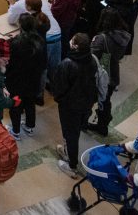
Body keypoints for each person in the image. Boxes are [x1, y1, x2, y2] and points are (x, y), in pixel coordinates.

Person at [53, 33, 99, 178]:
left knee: (70, 133)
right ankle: (67, 152)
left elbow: (59, 87)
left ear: (75, 46)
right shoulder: (91, 60)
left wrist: (60, 99)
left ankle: (71, 164)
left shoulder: (67, 64)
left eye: (72, 40)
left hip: (70, 106)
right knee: (75, 131)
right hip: (86, 103)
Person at [88, 8, 131, 136]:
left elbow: (92, 57)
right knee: (105, 100)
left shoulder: (102, 39)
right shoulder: (123, 35)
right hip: (113, 72)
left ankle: (90, 122)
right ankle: (103, 123)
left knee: (91, 99)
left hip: (101, 74)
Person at [6, 14, 47, 141]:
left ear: (20, 26)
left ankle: (15, 131)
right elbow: (44, 61)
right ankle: (29, 127)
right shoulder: (40, 41)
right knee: (30, 102)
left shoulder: (16, 42)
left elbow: (10, 62)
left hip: (17, 79)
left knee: (16, 104)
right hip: (34, 78)